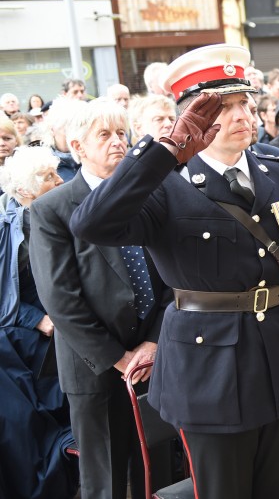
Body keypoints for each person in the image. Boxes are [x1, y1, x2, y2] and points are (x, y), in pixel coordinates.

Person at [70, 44, 279, 498]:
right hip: (212, 371)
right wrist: (164, 151)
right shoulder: (164, 183)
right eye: (222, 107)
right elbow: (91, 223)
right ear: (194, 118)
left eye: (244, 101)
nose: (241, 113)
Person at [30, 100, 167, 499]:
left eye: (121, 133)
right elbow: (60, 299)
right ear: (78, 147)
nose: (117, 142)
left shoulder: (150, 196)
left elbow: (172, 278)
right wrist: (120, 358)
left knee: (158, 468)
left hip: (154, 356)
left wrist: (154, 343)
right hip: (96, 367)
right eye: (103, 135)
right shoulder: (52, 209)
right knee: (106, 479)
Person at [0, 146, 76, 499]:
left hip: (64, 328)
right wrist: (39, 319)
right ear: (26, 191)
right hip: (24, 341)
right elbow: (5, 300)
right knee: (30, 422)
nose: (60, 181)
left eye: (57, 173)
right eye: (49, 177)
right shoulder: (9, 231)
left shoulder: (64, 215)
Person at [43, 99, 84, 182]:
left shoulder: (94, 159)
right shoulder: (43, 166)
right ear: (52, 129)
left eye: (78, 127)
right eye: (67, 128)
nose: (74, 134)